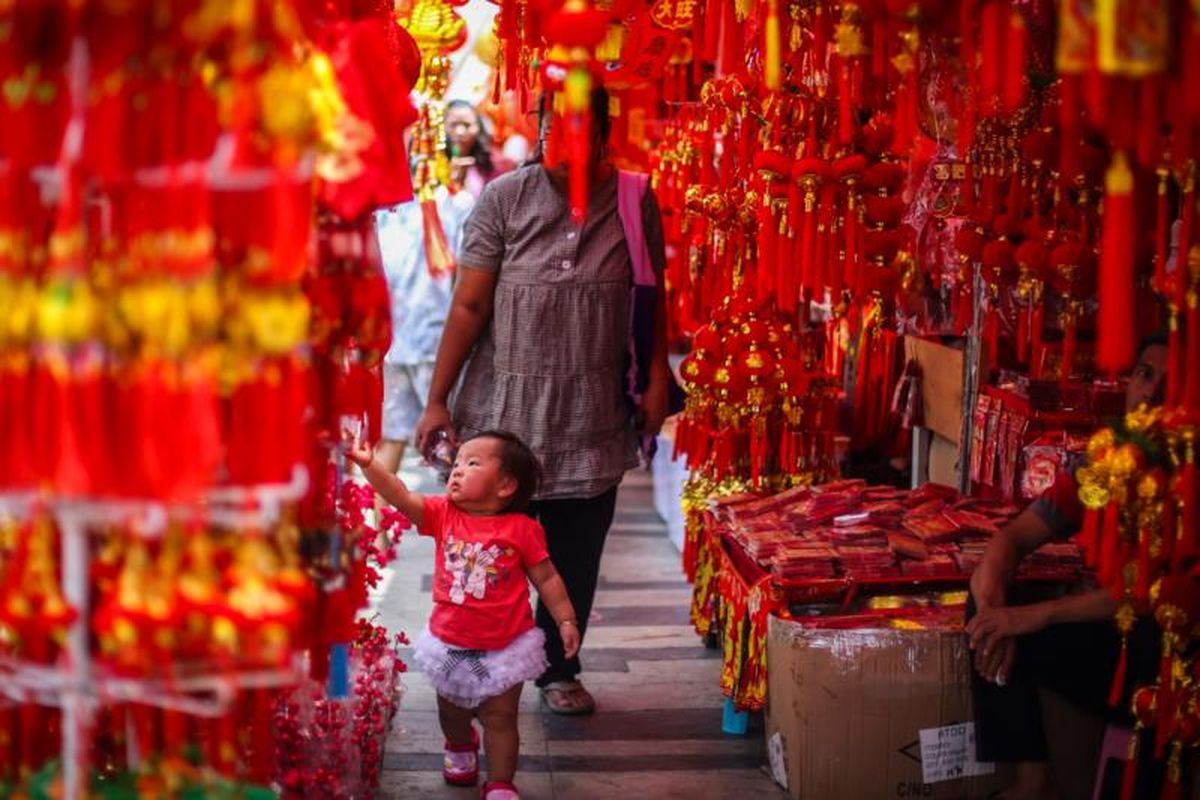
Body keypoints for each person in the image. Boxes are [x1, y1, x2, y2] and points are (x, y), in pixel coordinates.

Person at [415, 85, 672, 715]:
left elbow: (652, 298)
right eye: (557, 128)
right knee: (489, 550)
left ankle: (560, 669)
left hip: (592, 408)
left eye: (583, 130)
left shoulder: (636, 198)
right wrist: (437, 399)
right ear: (541, 126)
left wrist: (659, 377)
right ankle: (475, 660)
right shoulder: (505, 198)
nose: (567, 143)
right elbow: (470, 304)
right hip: (505, 409)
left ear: (605, 133)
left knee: (577, 547)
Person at [966, 332, 1169, 800]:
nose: (1152, 392)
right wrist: (994, 604)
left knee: (1144, 636)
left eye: (1168, 382)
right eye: (1144, 374)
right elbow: (1013, 538)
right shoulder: (1104, 460)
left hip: (1160, 661)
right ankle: (1031, 780)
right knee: (985, 603)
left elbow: (1147, 593)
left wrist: (1031, 617)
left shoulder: (1186, 477)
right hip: (1104, 646)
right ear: (1129, 382)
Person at [345, 430, 580, 800]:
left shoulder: (522, 529)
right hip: (450, 641)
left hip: (506, 646)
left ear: (505, 486)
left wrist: (565, 619)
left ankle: (501, 781)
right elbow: (400, 496)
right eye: (456, 463)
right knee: (452, 711)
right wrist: (370, 464)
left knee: (500, 718)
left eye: (472, 463)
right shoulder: (442, 514)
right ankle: (459, 745)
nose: (456, 470)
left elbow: (547, 577)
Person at [372, 185, 474, 475]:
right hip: (407, 339)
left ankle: (448, 519)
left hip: (427, 340)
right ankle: (379, 519)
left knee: (440, 443)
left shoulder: (456, 202)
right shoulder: (388, 204)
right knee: (408, 439)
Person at [445, 99, 509, 199]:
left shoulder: (495, 164)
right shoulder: (432, 164)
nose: (460, 132)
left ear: (479, 127)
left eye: (467, 125)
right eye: (453, 125)